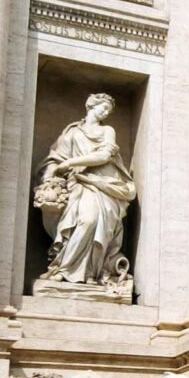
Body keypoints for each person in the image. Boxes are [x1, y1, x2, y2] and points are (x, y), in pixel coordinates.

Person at [35, 94, 136, 289]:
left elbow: (104, 155)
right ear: (91, 105)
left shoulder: (107, 130)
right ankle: (65, 269)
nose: (106, 112)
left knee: (96, 223)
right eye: (103, 108)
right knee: (82, 221)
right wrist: (50, 177)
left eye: (108, 110)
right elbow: (56, 157)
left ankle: (91, 273)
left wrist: (71, 162)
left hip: (103, 183)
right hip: (78, 184)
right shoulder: (72, 133)